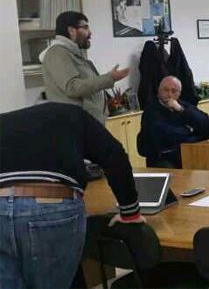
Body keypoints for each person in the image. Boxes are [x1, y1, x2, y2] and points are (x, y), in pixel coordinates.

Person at [0, 103, 143, 288]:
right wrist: (130, 212)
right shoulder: (74, 115)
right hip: (50, 207)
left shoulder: (6, 122)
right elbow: (114, 156)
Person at [41, 11, 129, 124]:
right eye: (85, 28)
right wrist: (109, 78)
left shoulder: (74, 53)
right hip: (75, 125)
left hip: (89, 123)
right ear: (71, 31)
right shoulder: (57, 52)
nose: (90, 33)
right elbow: (71, 87)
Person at [137, 76, 209, 168]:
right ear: (159, 91)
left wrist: (181, 110)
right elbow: (168, 134)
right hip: (163, 158)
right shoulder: (151, 110)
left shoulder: (182, 105)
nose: (169, 94)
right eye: (166, 90)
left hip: (186, 153)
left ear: (179, 93)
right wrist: (191, 130)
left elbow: (205, 123)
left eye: (174, 91)